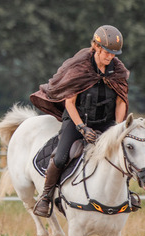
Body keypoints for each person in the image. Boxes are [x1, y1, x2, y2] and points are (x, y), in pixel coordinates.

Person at [28, 25, 129, 217]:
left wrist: (117, 128)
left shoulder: (118, 70)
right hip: (77, 120)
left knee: (123, 154)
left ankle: (127, 195)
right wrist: (82, 128)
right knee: (60, 156)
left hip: (106, 121)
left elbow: (121, 101)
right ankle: (46, 197)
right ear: (96, 47)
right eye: (107, 52)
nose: (111, 57)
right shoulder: (79, 67)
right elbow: (70, 103)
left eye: (114, 53)